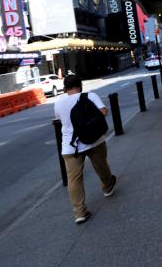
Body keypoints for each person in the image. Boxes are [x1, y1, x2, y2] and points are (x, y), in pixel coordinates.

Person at [54, 74, 117, 223]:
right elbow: (104, 112)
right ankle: (107, 187)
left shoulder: (58, 103)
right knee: (101, 166)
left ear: (64, 89)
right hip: (94, 140)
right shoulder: (90, 96)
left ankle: (79, 212)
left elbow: (60, 120)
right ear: (80, 85)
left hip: (70, 147)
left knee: (74, 179)